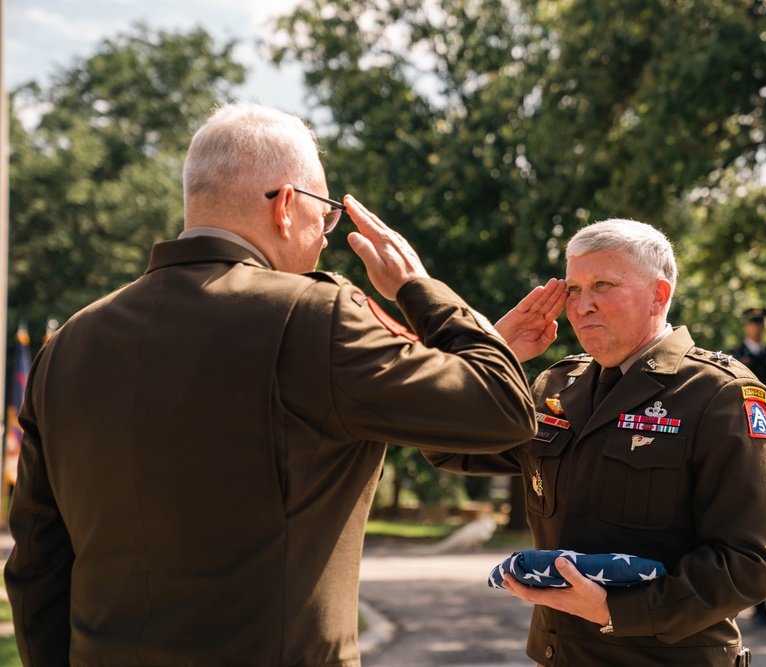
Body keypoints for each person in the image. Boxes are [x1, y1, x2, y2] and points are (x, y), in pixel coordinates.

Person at [3, 102, 537, 666]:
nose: (327, 238)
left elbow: (36, 565)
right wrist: (417, 287)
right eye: (326, 216)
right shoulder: (316, 317)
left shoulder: (67, 346)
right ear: (286, 205)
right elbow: (503, 408)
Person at [425, 219, 766, 667]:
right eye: (574, 289)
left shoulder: (718, 395)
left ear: (659, 295)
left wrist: (616, 610)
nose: (583, 306)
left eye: (603, 285)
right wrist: (493, 352)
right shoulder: (555, 387)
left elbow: (748, 564)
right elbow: (447, 446)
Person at [730, 307, 766, 403]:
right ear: (745, 326)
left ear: (764, 326)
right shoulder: (735, 354)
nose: (756, 327)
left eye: (760, 323)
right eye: (753, 323)